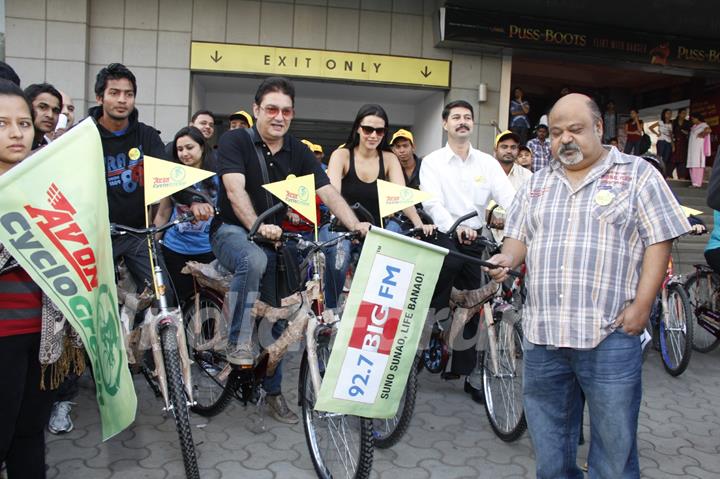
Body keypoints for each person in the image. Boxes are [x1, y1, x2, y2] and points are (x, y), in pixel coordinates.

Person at [487, 93, 691, 479]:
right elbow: (517, 238)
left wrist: (642, 307)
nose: (565, 139)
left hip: (610, 334)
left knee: (614, 457)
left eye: (576, 130)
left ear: (599, 129)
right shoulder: (537, 183)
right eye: (556, 132)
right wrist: (506, 259)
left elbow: (659, 240)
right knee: (550, 455)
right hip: (544, 336)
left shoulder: (636, 174)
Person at [210, 76, 369, 422]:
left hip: (277, 243)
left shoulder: (296, 150)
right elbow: (235, 191)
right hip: (233, 232)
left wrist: (354, 223)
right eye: (271, 109)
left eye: (285, 111)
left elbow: (327, 191)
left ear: (292, 114)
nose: (278, 117)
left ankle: (272, 392)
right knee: (252, 259)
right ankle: (235, 343)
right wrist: (257, 225)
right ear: (256, 110)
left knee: (284, 314)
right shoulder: (236, 140)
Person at [0, 79, 84, 478]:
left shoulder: (49, 183)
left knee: (29, 436)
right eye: (1, 124)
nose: (15, 133)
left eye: (23, 123)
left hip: (43, 334)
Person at [420, 100, 515, 400]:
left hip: (475, 239)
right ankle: (432, 322)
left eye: (467, 118)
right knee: (444, 272)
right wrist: (454, 226)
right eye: (456, 117)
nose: (462, 122)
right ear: (445, 124)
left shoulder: (486, 162)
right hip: (445, 234)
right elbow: (431, 203)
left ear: (473, 124)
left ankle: (466, 373)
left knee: (475, 303)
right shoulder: (432, 161)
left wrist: (521, 223)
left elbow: (509, 197)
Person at [90, 63, 202, 305]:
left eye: (128, 94)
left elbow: (168, 176)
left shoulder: (146, 135)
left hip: (137, 232)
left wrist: (193, 200)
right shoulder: (84, 136)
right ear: (100, 97)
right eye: (114, 93)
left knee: (164, 298)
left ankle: (151, 340)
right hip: (96, 235)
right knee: (95, 302)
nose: (122, 100)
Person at [321, 105, 433, 310]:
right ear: (357, 128)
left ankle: (374, 310)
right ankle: (331, 311)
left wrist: (419, 224)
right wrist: (352, 224)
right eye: (368, 129)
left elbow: (402, 197)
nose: (373, 135)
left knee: (393, 246)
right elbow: (332, 194)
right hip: (340, 228)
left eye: (379, 131)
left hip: (376, 230)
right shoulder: (342, 155)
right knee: (340, 257)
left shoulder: (389, 158)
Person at [154, 126, 217, 302]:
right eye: (180, 149)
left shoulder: (218, 177)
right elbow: (163, 212)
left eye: (189, 147)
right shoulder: (173, 177)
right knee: (178, 302)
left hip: (208, 250)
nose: (184, 153)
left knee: (208, 303)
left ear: (202, 147)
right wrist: (152, 243)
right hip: (175, 249)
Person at [23, 83, 62, 149]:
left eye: (55, 111)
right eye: (42, 107)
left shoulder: (50, 146)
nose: (50, 115)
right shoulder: (14, 145)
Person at [687, 112, 712, 188]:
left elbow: (708, 130)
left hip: (699, 149)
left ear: (697, 118)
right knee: (692, 165)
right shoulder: (694, 126)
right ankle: (693, 182)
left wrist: (702, 134)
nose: (692, 120)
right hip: (692, 149)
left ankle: (697, 183)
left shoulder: (704, 125)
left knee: (697, 165)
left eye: (693, 119)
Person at [649, 109, 675, 178]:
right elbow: (651, 127)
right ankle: (657, 171)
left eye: (670, 113)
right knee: (659, 157)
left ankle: (663, 173)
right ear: (664, 114)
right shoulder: (660, 122)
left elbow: (671, 135)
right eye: (667, 113)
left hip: (668, 141)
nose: (669, 115)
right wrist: (657, 133)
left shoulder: (671, 123)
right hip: (661, 140)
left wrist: (673, 145)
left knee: (666, 159)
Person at [671, 108, 690, 180]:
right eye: (682, 113)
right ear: (679, 114)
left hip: (683, 144)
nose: (684, 115)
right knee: (672, 159)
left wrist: (683, 131)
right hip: (675, 143)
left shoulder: (687, 123)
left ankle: (681, 176)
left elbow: (689, 133)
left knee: (682, 160)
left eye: (685, 113)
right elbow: (670, 132)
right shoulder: (674, 122)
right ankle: (668, 175)